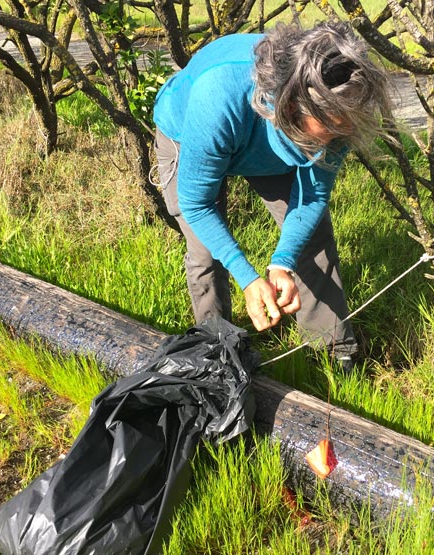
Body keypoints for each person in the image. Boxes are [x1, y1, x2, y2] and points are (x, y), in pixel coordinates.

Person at [152, 20, 392, 369]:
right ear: (293, 106)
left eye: (342, 131)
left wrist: (282, 262)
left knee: (313, 239)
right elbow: (196, 204)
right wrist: (248, 278)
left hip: (268, 134)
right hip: (191, 133)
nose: (332, 143)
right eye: (326, 129)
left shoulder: (340, 108)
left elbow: (311, 197)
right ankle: (215, 353)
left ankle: (334, 350)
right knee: (206, 252)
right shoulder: (219, 96)